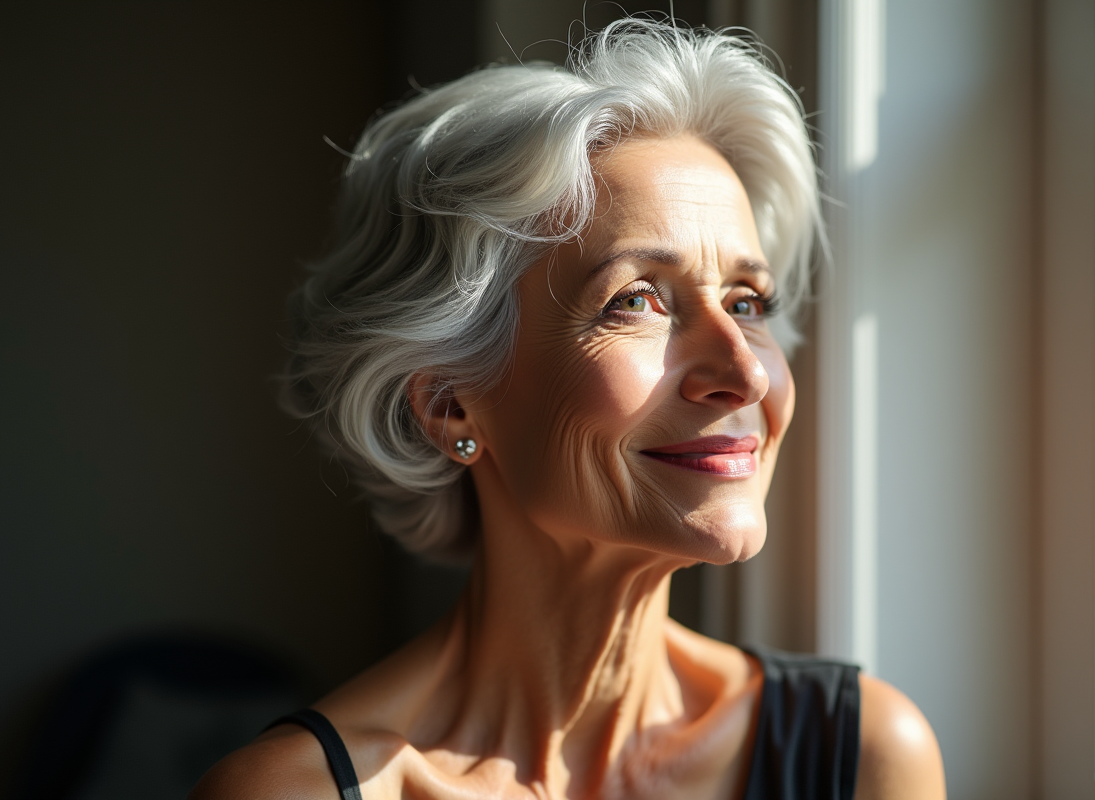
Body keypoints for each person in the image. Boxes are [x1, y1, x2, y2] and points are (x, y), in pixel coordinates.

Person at [191, 18, 945, 800]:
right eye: (638, 300)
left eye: (747, 301)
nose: (744, 373)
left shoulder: (864, 756)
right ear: (451, 404)